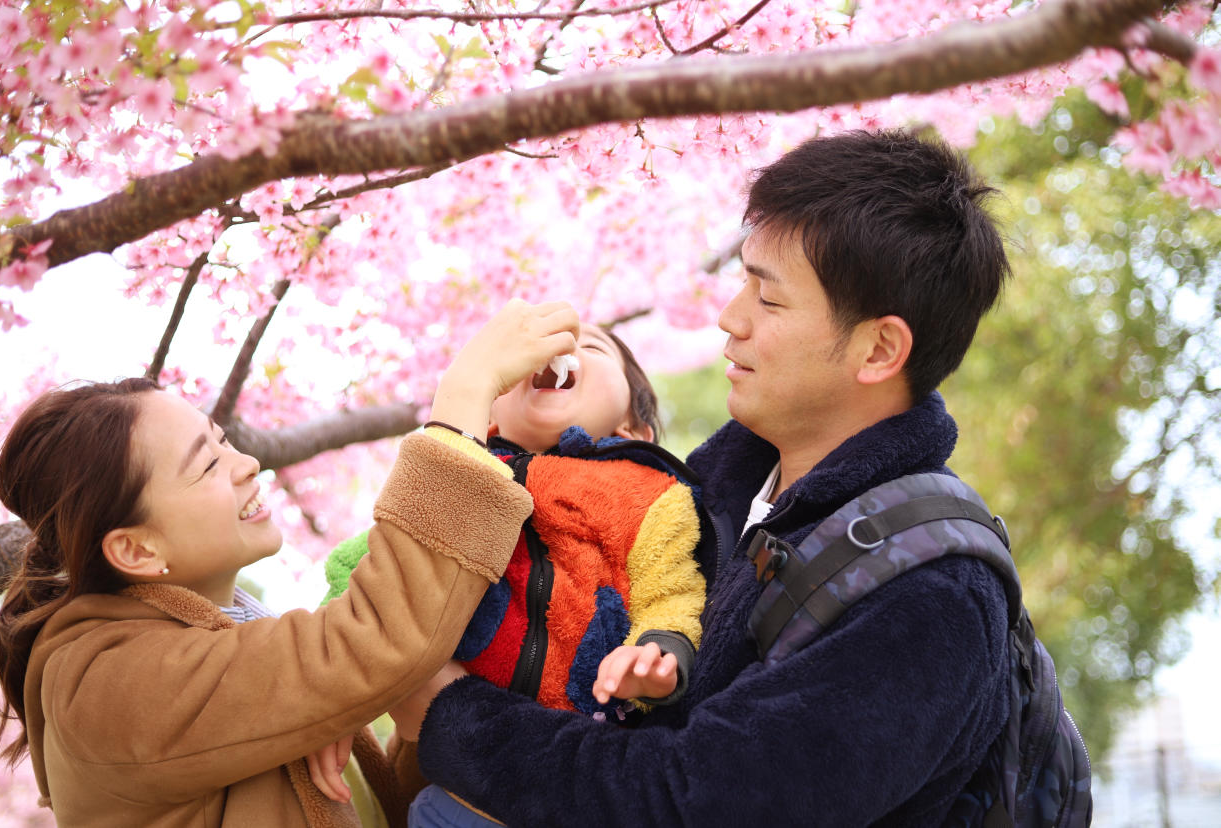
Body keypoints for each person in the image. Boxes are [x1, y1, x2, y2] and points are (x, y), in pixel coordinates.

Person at [393, 129, 1017, 826]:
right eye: (742, 280)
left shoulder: (933, 600)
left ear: (878, 349)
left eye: (769, 299)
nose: (729, 318)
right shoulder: (714, 497)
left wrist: (451, 714)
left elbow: (691, 802)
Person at [0, 299, 579, 827]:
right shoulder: (101, 687)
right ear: (137, 550)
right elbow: (368, 642)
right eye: (206, 465)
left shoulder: (240, 638)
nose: (243, 462)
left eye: (221, 440)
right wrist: (465, 396)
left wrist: (393, 714)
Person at [320, 323, 709, 827]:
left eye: (591, 346)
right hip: (455, 776)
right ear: (491, 414)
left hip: (583, 763)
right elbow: (361, 568)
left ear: (633, 429)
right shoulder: (467, 479)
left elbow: (672, 592)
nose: (562, 349)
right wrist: (334, 698)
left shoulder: (652, 496)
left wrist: (660, 651)